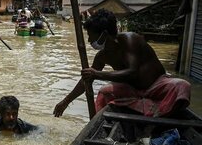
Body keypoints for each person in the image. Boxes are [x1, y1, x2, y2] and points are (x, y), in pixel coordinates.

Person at [53, 9, 191, 118]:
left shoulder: (130, 40)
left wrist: (97, 74)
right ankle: (100, 123)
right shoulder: (102, 56)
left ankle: (158, 112)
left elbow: (132, 72)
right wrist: (65, 102)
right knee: (104, 92)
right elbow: (86, 81)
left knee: (182, 86)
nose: (89, 40)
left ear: (104, 34)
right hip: (132, 91)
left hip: (156, 85)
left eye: (91, 35)